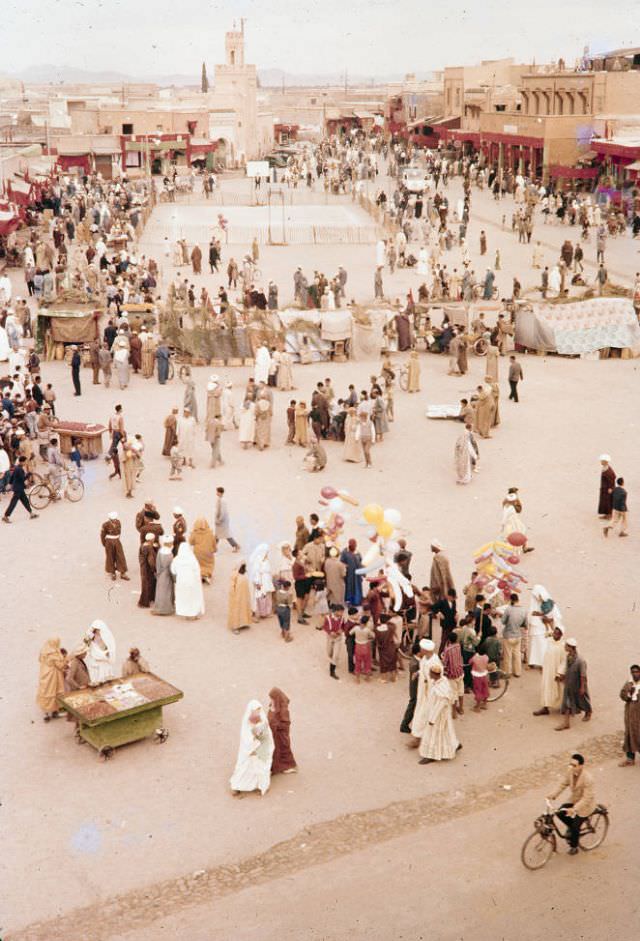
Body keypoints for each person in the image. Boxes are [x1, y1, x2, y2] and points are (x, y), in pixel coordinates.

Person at [547, 754, 596, 854]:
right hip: (574, 800)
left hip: (585, 805)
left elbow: (587, 798)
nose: (571, 767)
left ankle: (574, 847)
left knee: (575, 826)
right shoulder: (570, 772)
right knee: (560, 812)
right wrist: (554, 794)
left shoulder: (588, 779)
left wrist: (574, 809)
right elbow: (563, 784)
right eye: (571, 764)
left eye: (574, 765)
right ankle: (573, 830)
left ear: (581, 766)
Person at [230, 700, 275, 797]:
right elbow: (246, 738)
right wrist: (252, 746)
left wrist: (259, 747)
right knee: (243, 768)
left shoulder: (263, 720)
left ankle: (262, 786)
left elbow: (267, 738)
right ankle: (236, 786)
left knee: (261, 768)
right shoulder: (246, 722)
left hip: (261, 750)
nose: (257, 712)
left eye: (259, 709)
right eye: (255, 710)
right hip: (248, 751)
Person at [418, 662, 460, 764]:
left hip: (438, 715)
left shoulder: (441, 688)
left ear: (435, 674)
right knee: (445, 732)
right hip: (438, 713)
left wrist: (432, 719)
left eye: (430, 673)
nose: (429, 675)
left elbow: (440, 705)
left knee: (434, 734)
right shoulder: (441, 681)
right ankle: (455, 744)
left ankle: (431, 755)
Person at [555, 639, 592, 730]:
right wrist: (562, 677)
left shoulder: (580, 660)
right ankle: (566, 723)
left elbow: (583, 675)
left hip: (578, 683)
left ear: (571, 647)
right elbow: (567, 669)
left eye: (566, 646)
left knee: (583, 699)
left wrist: (582, 687)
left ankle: (588, 711)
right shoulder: (568, 657)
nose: (565, 647)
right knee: (567, 702)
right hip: (569, 683)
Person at [533, 622, 566, 716]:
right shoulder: (550, 642)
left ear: (561, 635)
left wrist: (559, 673)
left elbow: (564, 662)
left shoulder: (563, 646)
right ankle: (545, 707)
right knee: (546, 688)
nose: (555, 635)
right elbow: (546, 655)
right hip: (547, 671)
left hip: (556, 672)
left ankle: (563, 707)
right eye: (554, 633)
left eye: (557, 633)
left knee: (558, 689)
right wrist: (542, 666)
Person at [528, 585, 562, 668]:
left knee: (542, 645)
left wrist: (540, 616)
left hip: (542, 628)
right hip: (538, 627)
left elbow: (553, 616)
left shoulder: (547, 603)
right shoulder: (541, 603)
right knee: (536, 645)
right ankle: (534, 662)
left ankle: (543, 663)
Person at [171, 543, 205, 619]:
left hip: (181, 582)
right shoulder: (192, 559)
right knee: (192, 598)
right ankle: (192, 614)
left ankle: (184, 613)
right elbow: (197, 570)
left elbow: (173, 571)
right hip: (191, 581)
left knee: (183, 597)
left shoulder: (176, 559)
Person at [37, 637, 66, 721]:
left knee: (46, 693)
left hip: (45, 675)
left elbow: (39, 660)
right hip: (53, 677)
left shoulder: (44, 651)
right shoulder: (54, 654)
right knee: (55, 692)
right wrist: (67, 659)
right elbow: (60, 666)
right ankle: (55, 712)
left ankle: (46, 714)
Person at [268, 688, 297, 773]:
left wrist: (274, 724)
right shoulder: (273, 705)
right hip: (274, 733)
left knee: (283, 750)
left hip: (281, 735)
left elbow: (285, 723)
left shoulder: (283, 710)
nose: (271, 700)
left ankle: (287, 767)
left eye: (272, 698)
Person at [2, 456, 38, 523]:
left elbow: (12, 477)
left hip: (18, 488)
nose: (25, 463)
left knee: (25, 501)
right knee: (13, 503)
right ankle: (6, 516)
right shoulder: (20, 469)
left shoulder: (16, 468)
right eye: (25, 461)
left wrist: (9, 484)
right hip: (18, 489)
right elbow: (23, 479)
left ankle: (31, 514)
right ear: (22, 462)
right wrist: (29, 474)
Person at [501, 593, 527, 678]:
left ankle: (507, 672)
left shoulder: (508, 609)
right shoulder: (524, 610)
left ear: (511, 600)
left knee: (507, 655)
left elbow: (503, 621)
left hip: (508, 635)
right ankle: (517, 672)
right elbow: (525, 624)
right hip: (518, 635)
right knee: (517, 655)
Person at [83, 620, 116, 685]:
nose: (98, 631)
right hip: (95, 663)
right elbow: (85, 643)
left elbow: (108, 648)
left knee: (106, 681)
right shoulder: (91, 637)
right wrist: (90, 631)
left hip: (103, 661)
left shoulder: (104, 636)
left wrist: (105, 654)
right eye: (96, 629)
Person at [619, 664, 640, 766]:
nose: (635, 674)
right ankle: (630, 759)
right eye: (633, 672)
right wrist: (628, 694)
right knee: (629, 735)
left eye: (637, 672)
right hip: (630, 715)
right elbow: (622, 695)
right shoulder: (629, 683)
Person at [100, 511, 130, 581]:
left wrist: (117, 540)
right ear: (110, 519)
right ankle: (113, 572)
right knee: (110, 557)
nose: (114, 520)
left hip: (116, 541)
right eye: (113, 519)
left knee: (121, 556)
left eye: (115, 519)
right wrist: (105, 544)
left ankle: (123, 573)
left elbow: (119, 532)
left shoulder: (118, 522)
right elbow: (102, 535)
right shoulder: (105, 525)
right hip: (109, 542)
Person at [249, 543, 275, 619]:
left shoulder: (266, 560)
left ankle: (267, 612)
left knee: (268, 596)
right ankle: (259, 613)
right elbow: (256, 572)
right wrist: (257, 582)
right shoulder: (258, 561)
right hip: (262, 581)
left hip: (267, 580)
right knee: (260, 597)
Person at [152, 537, 175, 615]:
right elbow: (171, 567)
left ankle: (158, 608)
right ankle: (167, 609)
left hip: (161, 574)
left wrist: (158, 573)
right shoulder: (170, 554)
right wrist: (173, 577)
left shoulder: (160, 551)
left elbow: (157, 563)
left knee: (159, 591)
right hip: (167, 575)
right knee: (168, 592)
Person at [189, 517, 216, 584]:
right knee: (208, 564)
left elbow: (191, 542)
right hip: (208, 552)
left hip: (198, 553)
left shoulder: (195, 533)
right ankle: (207, 575)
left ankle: (200, 575)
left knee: (199, 564)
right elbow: (214, 543)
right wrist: (214, 549)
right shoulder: (210, 533)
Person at [228, 561, 252, 634]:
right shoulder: (234, 575)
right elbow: (232, 587)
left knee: (244, 609)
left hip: (244, 597)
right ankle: (235, 627)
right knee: (237, 610)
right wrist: (234, 596)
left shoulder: (243, 575)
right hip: (237, 597)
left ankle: (244, 623)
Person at [349, 615, 375, 682]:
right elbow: (373, 636)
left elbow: (350, 633)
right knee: (367, 662)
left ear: (360, 621)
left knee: (358, 662)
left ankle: (357, 679)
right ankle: (367, 678)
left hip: (358, 646)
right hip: (366, 646)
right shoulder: (367, 630)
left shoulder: (356, 628)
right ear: (366, 623)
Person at [215, 487, 240, 551]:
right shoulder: (220, 499)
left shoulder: (223, 501)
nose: (216, 493)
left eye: (217, 491)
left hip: (222, 521)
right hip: (221, 521)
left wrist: (219, 520)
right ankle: (213, 546)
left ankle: (236, 545)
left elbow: (223, 512)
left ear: (220, 493)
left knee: (226, 535)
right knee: (218, 535)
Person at [375, 613, 398, 682]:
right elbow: (392, 624)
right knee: (392, 662)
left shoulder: (376, 629)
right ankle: (393, 678)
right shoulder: (391, 627)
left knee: (383, 663)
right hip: (391, 647)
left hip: (382, 648)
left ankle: (383, 678)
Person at [340, 539, 363, 606]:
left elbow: (361, 562)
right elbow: (341, 562)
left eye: (355, 545)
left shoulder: (358, 553)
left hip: (357, 574)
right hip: (349, 574)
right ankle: (349, 601)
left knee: (357, 587)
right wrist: (346, 566)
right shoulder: (345, 552)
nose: (354, 547)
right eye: (353, 545)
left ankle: (357, 601)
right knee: (349, 587)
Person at [138, 532, 157, 608]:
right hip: (148, 569)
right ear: (151, 540)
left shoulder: (142, 546)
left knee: (146, 583)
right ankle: (144, 602)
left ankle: (147, 600)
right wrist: (154, 569)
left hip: (143, 568)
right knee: (148, 584)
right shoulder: (149, 548)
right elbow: (151, 561)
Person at [598, 454, 616, 519]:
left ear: (605, 461)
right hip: (604, 488)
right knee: (604, 501)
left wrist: (611, 488)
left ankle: (609, 515)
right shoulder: (605, 468)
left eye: (602, 461)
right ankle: (606, 514)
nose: (601, 462)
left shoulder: (609, 470)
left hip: (608, 488)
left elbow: (613, 477)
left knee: (608, 501)